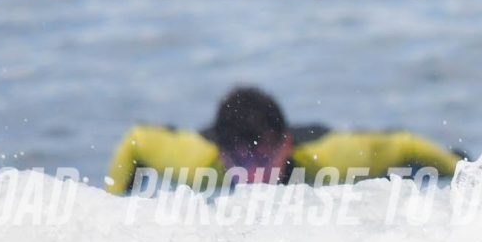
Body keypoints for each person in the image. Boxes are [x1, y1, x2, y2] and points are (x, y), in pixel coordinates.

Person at [105, 86, 462, 194]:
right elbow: (136, 140)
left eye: (263, 160)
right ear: (222, 153)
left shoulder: (332, 162)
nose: (253, 175)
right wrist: (112, 201)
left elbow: (404, 144)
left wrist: (463, 171)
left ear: (285, 145)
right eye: (240, 161)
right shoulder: (197, 165)